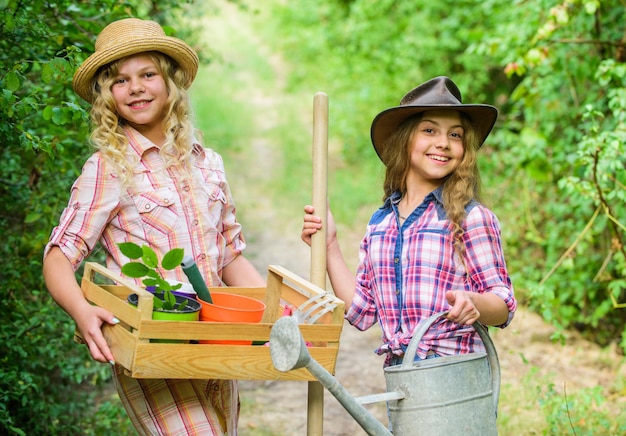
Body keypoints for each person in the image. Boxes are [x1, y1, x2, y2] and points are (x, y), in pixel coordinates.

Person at [43, 18, 265, 435]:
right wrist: (81, 312)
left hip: (215, 343)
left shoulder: (207, 163)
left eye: (148, 74)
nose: (137, 88)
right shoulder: (109, 168)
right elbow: (59, 256)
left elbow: (230, 254)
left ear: (171, 83)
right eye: (121, 80)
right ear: (108, 95)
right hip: (151, 345)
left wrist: (271, 314)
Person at [301, 76, 517, 370]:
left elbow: (503, 305)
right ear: (405, 141)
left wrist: (474, 303)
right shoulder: (382, 223)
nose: (443, 143)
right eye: (429, 130)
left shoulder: (471, 218)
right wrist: (329, 245)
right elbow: (362, 312)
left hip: (457, 374)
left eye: (455, 135)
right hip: (401, 375)